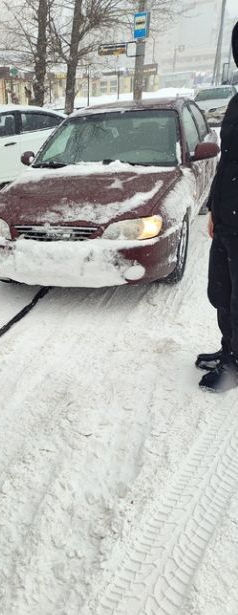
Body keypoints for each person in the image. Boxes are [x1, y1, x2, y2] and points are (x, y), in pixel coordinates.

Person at [196, 22, 238, 393]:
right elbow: (228, 161)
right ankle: (228, 350)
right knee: (221, 292)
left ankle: (235, 366)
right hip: (227, 216)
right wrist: (213, 206)